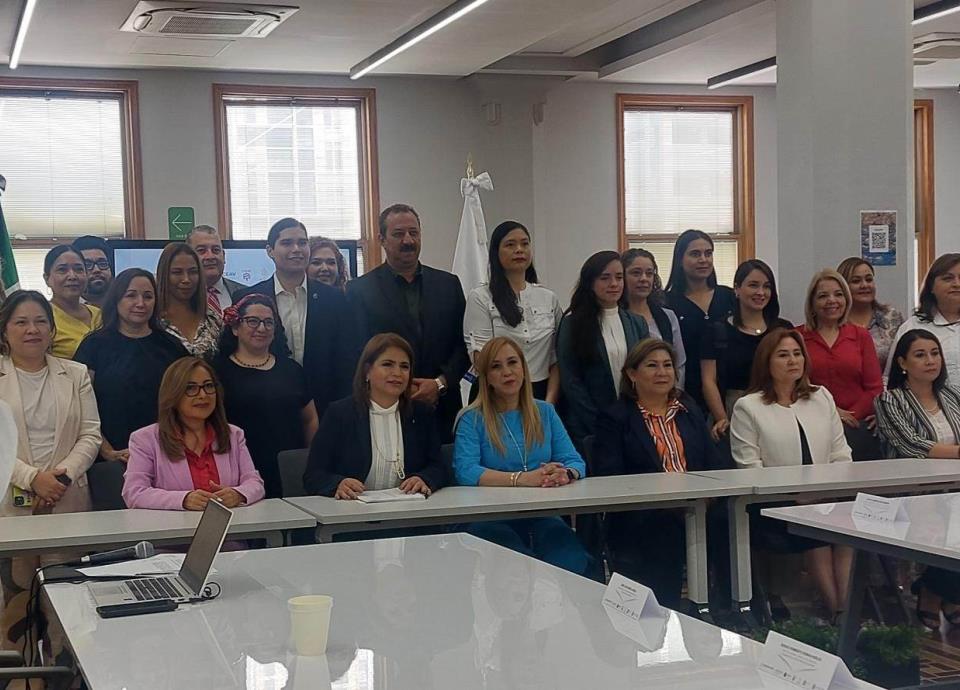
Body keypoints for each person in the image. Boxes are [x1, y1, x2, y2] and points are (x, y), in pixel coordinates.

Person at [0, 290, 100, 651]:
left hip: (66, 500)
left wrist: (60, 478)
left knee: (70, 611)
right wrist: (32, 479)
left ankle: (69, 672)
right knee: (17, 612)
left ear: (52, 329)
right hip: (11, 509)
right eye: (21, 322)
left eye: (41, 321)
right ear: (5, 330)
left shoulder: (74, 374)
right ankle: (24, 674)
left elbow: (91, 434)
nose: (32, 329)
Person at [593, 339, 727, 608]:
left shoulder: (688, 410)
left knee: (731, 522)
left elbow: (713, 463)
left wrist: (706, 497)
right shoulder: (615, 418)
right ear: (632, 374)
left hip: (698, 506)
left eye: (667, 365)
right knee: (664, 532)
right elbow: (611, 475)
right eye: (652, 366)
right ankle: (666, 612)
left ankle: (729, 609)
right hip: (646, 511)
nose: (662, 372)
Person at [731, 328, 853, 621]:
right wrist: (794, 496)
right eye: (783, 355)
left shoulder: (821, 397)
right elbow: (749, 468)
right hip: (776, 505)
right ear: (766, 362)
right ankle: (840, 614)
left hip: (827, 496)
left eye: (797, 354)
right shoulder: (748, 407)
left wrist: (828, 491)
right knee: (817, 530)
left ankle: (845, 613)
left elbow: (841, 453)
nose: (793, 361)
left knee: (849, 528)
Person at [453, 337, 590, 575]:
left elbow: (575, 461)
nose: (507, 372)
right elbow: (466, 471)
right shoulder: (471, 418)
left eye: (512, 362)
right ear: (487, 378)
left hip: (542, 513)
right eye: (496, 366)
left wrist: (564, 474)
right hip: (491, 516)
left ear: (524, 369)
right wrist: (521, 479)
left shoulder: (545, 412)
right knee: (515, 564)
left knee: (573, 561)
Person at [347, 204, 470, 441]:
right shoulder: (359, 290)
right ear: (382, 239)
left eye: (413, 233)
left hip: (441, 409)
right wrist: (397, 385)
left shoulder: (448, 285)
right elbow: (358, 352)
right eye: (398, 234)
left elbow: (463, 346)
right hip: (386, 408)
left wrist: (439, 384)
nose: (408, 240)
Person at [874, 329, 960, 628]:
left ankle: (934, 588)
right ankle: (943, 591)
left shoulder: (952, 395)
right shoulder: (890, 400)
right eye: (920, 355)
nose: (930, 361)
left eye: (935, 354)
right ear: (902, 362)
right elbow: (912, 445)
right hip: (912, 491)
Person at [236, 217, 356, 420]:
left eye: (302, 242)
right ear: (270, 251)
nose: (296, 249)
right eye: (287, 243)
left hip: (327, 407)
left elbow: (346, 359)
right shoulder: (248, 298)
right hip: (267, 405)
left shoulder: (334, 299)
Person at [303, 333, 447, 498]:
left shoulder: (422, 414)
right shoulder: (340, 414)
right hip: (353, 509)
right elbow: (314, 475)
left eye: (404, 366)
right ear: (367, 371)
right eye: (387, 364)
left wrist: (424, 478)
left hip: (409, 507)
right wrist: (338, 484)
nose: (397, 373)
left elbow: (438, 467)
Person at [123, 357, 265, 510]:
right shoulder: (145, 439)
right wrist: (184, 499)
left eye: (208, 386)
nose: (203, 395)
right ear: (173, 394)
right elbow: (134, 492)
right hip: (173, 524)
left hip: (230, 524)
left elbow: (254, 482)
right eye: (191, 388)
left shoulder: (233, 435)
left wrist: (238, 494)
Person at [74, 269, 186, 463]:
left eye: (148, 296)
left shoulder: (171, 346)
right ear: (116, 299)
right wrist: (107, 451)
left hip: (165, 454)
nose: (140, 303)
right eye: (131, 295)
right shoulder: (94, 345)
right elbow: (79, 407)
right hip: (109, 458)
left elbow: (186, 402)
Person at [215, 294, 318, 498]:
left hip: (288, 469)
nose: (262, 328)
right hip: (238, 471)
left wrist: (313, 460)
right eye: (253, 321)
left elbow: (310, 419)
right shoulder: (217, 372)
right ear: (235, 327)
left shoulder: (292, 370)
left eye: (268, 322)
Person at [464, 221, 563, 402]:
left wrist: (548, 403)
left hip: (541, 392)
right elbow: (481, 358)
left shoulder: (548, 298)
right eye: (510, 245)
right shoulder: (480, 297)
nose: (519, 250)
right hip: (496, 394)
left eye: (525, 244)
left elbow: (557, 357)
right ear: (496, 252)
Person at [557, 251, 648, 445]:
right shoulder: (572, 323)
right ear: (590, 282)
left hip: (631, 421)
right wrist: (599, 422)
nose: (614, 284)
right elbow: (571, 380)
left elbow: (644, 371)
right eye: (605, 278)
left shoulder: (637, 323)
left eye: (619, 277)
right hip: (588, 425)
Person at [797, 269, 883, 460]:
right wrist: (832, 413)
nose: (832, 300)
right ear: (812, 303)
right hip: (812, 426)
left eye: (838, 294)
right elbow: (794, 386)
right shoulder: (797, 337)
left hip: (857, 427)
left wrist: (850, 415)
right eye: (823, 296)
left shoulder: (860, 336)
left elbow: (874, 387)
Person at [701, 259, 791, 440]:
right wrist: (722, 419)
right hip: (733, 410)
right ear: (737, 289)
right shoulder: (716, 330)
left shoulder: (783, 329)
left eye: (766, 286)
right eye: (753, 285)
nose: (761, 292)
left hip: (778, 409)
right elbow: (708, 381)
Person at [664, 230, 736, 409]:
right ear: (680, 259)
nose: (703, 259)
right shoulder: (667, 303)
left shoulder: (729, 296)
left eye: (708, 253)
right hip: (686, 392)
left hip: (731, 388)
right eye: (695, 254)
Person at [886, 253, 960, 383]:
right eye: (948, 278)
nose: (957, 284)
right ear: (931, 286)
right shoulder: (912, 327)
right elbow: (891, 378)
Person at [620, 248, 686, 388]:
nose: (644, 279)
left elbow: (679, 363)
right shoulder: (616, 317)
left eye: (649, 273)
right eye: (636, 273)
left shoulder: (667, 316)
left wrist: (673, 393)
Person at [155, 242, 223, 360]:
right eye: (177, 272)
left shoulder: (212, 320)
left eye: (193, 272)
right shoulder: (152, 321)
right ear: (164, 275)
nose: (186, 279)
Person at [837, 257, 904, 372]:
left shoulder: (892, 317)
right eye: (856, 281)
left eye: (869, 280)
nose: (864, 285)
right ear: (842, 286)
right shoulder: (835, 322)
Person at [44, 244, 102, 358]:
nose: (72, 276)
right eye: (62, 270)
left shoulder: (99, 314)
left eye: (79, 269)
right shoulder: (43, 318)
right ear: (47, 279)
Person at [186, 225, 245, 312]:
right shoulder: (174, 297)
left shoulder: (245, 294)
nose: (210, 256)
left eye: (216, 250)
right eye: (201, 250)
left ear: (224, 256)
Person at [72, 235, 114, 308]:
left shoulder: (125, 306)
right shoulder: (63, 308)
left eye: (102, 263)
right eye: (87, 265)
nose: (96, 270)